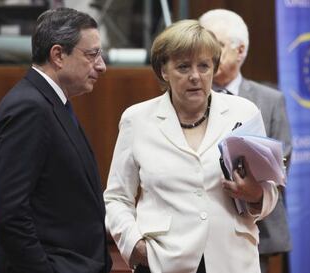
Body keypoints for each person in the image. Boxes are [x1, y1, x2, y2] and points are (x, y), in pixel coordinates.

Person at [103, 19, 278, 273]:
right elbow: (117, 197)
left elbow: (269, 187)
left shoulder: (243, 113)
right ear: (164, 70)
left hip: (232, 260)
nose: (195, 76)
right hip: (163, 261)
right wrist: (135, 245)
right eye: (183, 67)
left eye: (204, 66)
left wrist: (257, 196)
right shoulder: (137, 119)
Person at [0, 8, 111, 273]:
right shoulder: (30, 108)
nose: (101, 66)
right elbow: (10, 214)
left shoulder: (48, 102)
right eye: (92, 55)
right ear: (58, 55)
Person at [199, 9, 293, 273]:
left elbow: (281, 160)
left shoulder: (269, 99)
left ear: (239, 50)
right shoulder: (189, 96)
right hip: (197, 232)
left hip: (255, 227)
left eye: (214, 45)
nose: (206, 54)